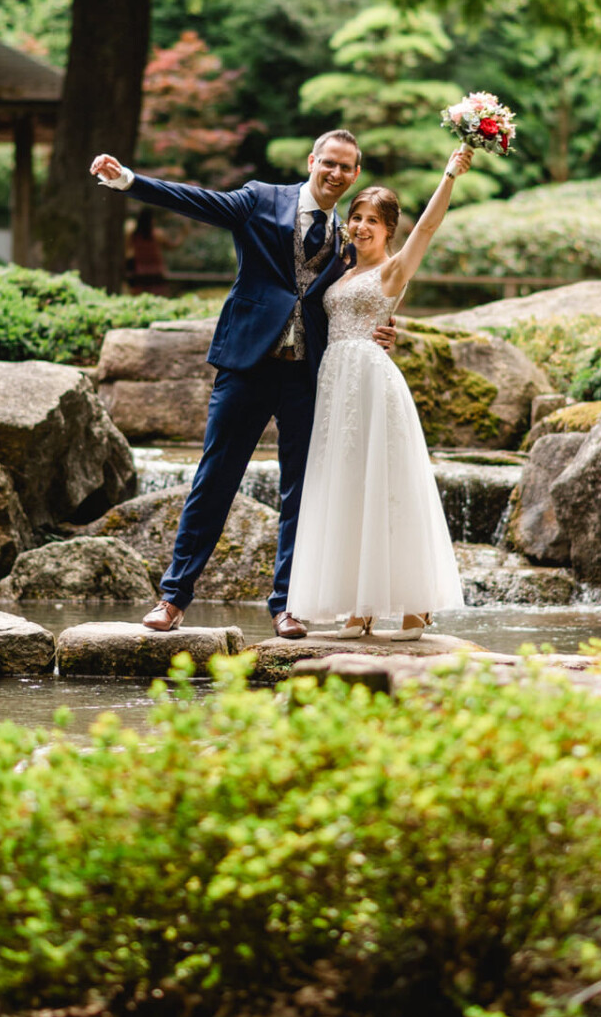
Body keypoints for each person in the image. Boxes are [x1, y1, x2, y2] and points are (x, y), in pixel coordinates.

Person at [89, 131, 395, 638]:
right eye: (329, 163)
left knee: (301, 490)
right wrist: (128, 181)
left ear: (355, 175)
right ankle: (173, 597)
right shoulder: (259, 199)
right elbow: (196, 200)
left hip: (307, 374)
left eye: (347, 168)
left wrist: (383, 328)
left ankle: (286, 606)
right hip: (246, 365)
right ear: (312, 160)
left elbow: (372, 285)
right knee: (215, 478)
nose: (336, 174)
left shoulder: (349, 235)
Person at [287, 145, 474, 640]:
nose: (362, 226)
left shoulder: (393, 270)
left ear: (390, 228)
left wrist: (450, 173)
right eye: (357, 217)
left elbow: (429, 228)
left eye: (373, 219)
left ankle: (416, 609)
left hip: (372, 381)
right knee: (348, 488)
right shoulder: (341, 270)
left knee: (388, 488)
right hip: (336, 385)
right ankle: (360, 609)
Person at [126, 206, 169, 295]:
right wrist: (183, 235)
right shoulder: (157, 235)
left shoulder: (134, 236)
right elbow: (172, 247)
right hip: (156, 273)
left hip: (139, 272)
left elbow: (128, 251)